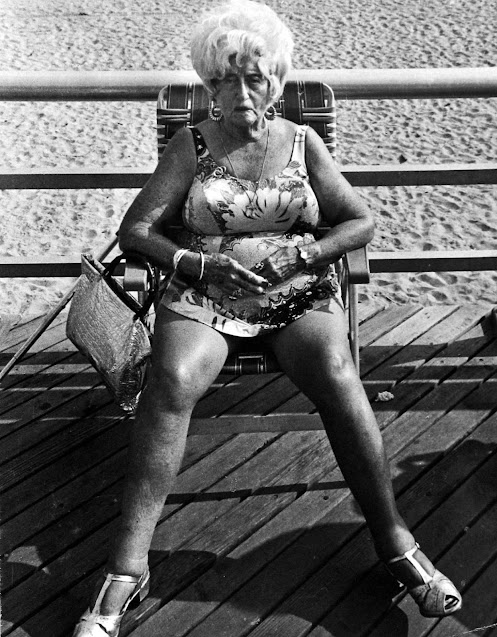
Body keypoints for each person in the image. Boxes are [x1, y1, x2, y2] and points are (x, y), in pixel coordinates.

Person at [72, 1, 462, 634]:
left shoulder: (303, 143)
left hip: (296, 293)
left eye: (255, 78)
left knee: (336, 371)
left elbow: (360, 221)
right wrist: (198, 265)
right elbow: (137, 230)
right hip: (206, 292)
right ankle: (127, 566)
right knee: (172, 378)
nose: (241, 93)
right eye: (225, 80)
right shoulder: (191, 145)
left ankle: (395, 541)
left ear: (277, 81)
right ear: (209, 86)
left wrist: (306, 253)